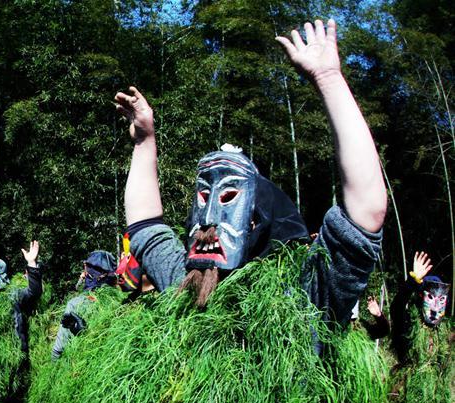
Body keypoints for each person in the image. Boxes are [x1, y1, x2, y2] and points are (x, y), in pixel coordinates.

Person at [116, 19, 385, 328]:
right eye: (203, 197)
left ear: (260, 221)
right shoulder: (183, 282)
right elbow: (144, 227)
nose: (207, 221)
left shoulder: (302, 297)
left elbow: (366, 211)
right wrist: (144, 141)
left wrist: (328, 79)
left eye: (230, 197)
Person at [52, 250, 118, 360]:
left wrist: (54, 361)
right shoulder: (121, 300)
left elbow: (59, 348)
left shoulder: (75, 305)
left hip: (81, 362)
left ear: (87, 269)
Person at [391, 251, 449, 364]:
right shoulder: (408, 324)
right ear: (421, 297)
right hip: (409, 378)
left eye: (441, 299)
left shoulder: (443, 333)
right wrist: (413, 281)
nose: (435, 305)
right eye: (431, 297)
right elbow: (397, 307)